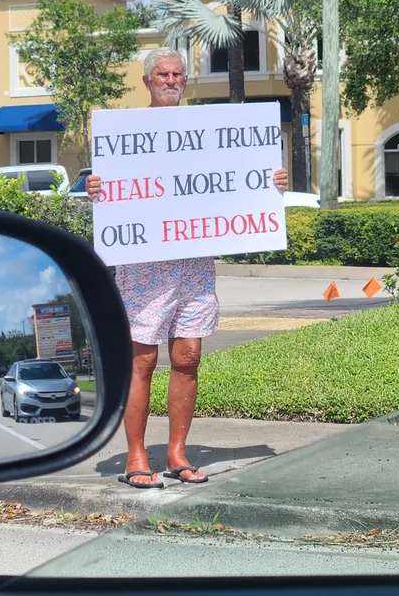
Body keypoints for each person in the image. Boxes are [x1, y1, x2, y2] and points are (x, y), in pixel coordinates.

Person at [87, 47, 288, 489]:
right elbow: (107, 189)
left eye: (178, 75)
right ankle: (136, 456)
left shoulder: (208, 130)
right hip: (143, 264)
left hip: (194, 262)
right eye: (163, 74)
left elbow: (239, 177)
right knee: (141, 360)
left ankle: (177, 453)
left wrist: (272, 182)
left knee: (189, 356)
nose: (171, 80)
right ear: (147, 81)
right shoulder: (123, 133)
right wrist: (94, 186)